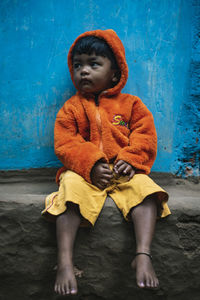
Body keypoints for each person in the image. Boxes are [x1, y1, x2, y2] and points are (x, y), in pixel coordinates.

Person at [42, 29, 171, 296]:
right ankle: (65, 261)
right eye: (78, 65)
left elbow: (145, 136)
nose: (84, 71)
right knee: (69, 194)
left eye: (93, 64)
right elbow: (65, 143)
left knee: (147, 192)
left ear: (115, 73)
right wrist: (90, 164)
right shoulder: (71, 108)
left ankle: (142, 254)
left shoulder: (132, 105)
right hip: (84, 173)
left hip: (124, 172)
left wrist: (131, 159)